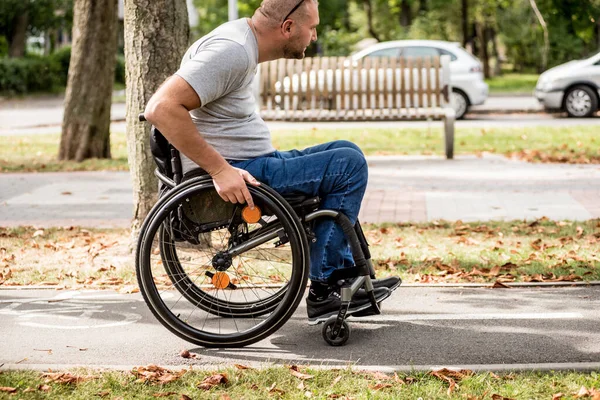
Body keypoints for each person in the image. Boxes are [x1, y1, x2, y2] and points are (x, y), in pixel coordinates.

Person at [144, 0, 400, 324]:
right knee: (348, 166)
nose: (315, 35)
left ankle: (349, 277)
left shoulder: (240, 41)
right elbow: (160, 107)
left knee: (345, 149)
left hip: (253, 161)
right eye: (312, 27)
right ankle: (326, 287)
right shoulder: (232, 50)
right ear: (288, 27)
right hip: (242, 170)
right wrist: (220, 170)